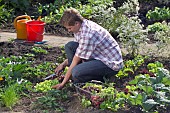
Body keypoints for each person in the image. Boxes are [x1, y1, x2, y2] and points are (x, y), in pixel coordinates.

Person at [52, 8, 123, 90]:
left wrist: (63, 83)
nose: (68, 31)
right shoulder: (80, 28)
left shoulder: (88, 34)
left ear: (76, 23)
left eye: (69, 28)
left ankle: (98, 79)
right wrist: (63, 64)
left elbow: (76, 59)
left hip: (110, 64)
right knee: (70, 46)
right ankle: (78, 76)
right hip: (98, 56)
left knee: (76, 72)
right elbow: (78, 52)